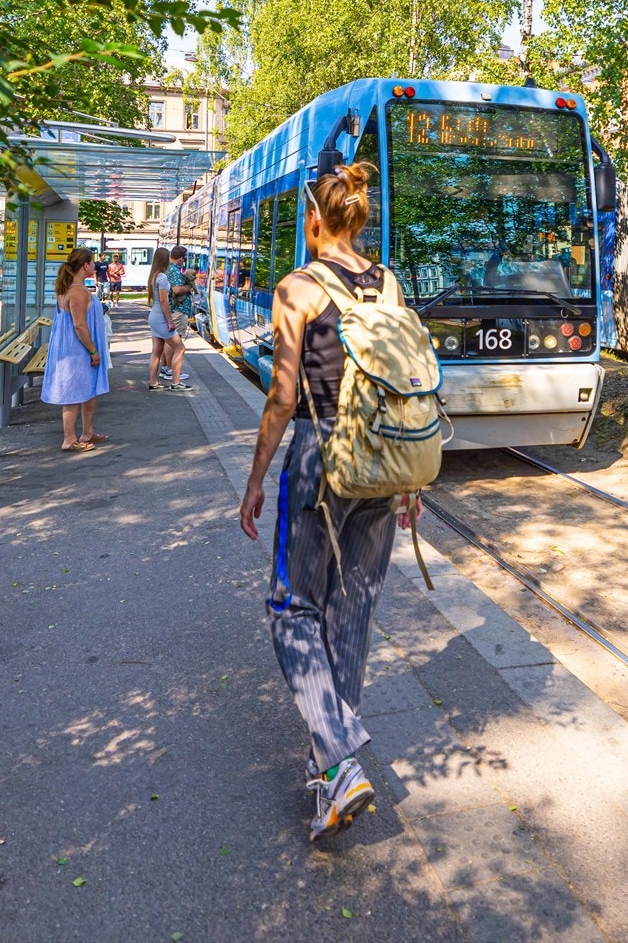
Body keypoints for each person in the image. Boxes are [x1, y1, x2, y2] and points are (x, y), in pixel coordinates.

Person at [237, 161, 417, 842]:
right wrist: (411, 478)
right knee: (352, 608)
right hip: (381, 457)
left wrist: (257, 478)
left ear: (315, 219)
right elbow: (404, 386)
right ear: (358, 217)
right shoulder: (389, 284)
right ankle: (330, 775)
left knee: (292, 608)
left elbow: (283, 397)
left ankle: (339, 762)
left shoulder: (299, 288)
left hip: (318, 457)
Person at [41, 247, 109, 451]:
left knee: (88, 389)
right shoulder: (77, 292)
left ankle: (88, 431)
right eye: (92, 262)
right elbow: (79, 325)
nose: (94, 265)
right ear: (85, 265)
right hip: (77, 349)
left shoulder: (69, 287)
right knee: (73, 392)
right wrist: (93, 351)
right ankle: (69, 439)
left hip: (72, 347)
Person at [145, 247, 191, 392]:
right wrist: (170, 321)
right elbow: (164, 302)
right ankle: (176, 382)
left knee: (156, 351)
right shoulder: (162, 277)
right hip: (161, 317)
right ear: (165, 259)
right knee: (180, 348)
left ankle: (153, 381)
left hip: (154, 316)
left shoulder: (154, 276)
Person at [161, 247, 195, 382]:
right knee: (174, 342)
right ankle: (171, 370)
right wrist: (189, 287)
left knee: (168, 341)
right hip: (178, 310)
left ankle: (166, 368)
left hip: (173, 310)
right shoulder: (174, 270)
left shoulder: (168, 269)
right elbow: (177, 290)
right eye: (184, 259)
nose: (184, 261)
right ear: (181, 258)